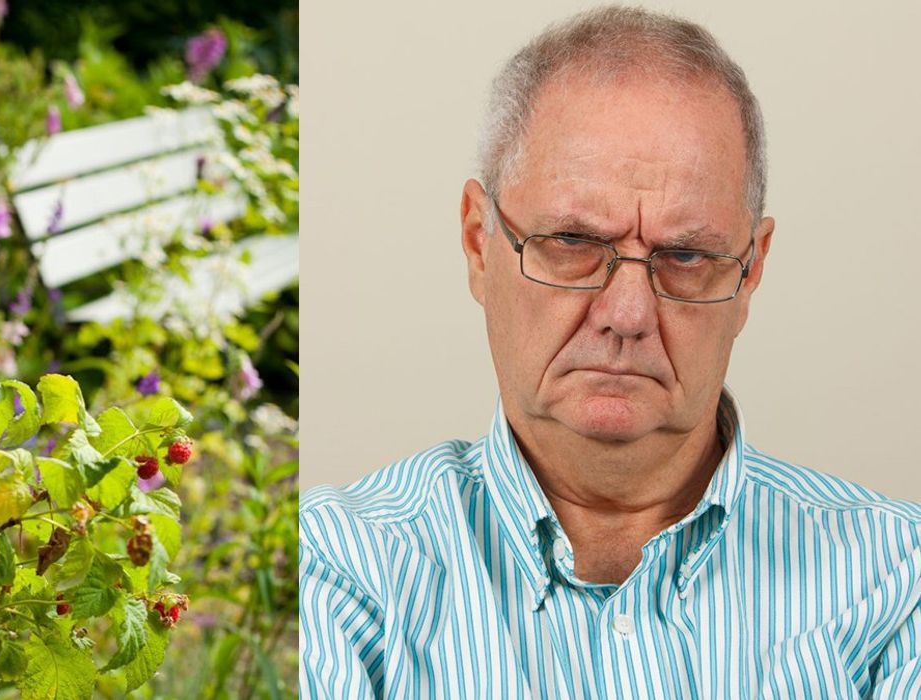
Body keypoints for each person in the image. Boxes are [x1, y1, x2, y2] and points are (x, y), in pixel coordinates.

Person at [298, 6, 921, 697]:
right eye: (571, 242)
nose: (626, 316)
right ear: (478, 241)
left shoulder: (896, 581)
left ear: (751, 271)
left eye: (686, 256)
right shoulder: (334, 571)